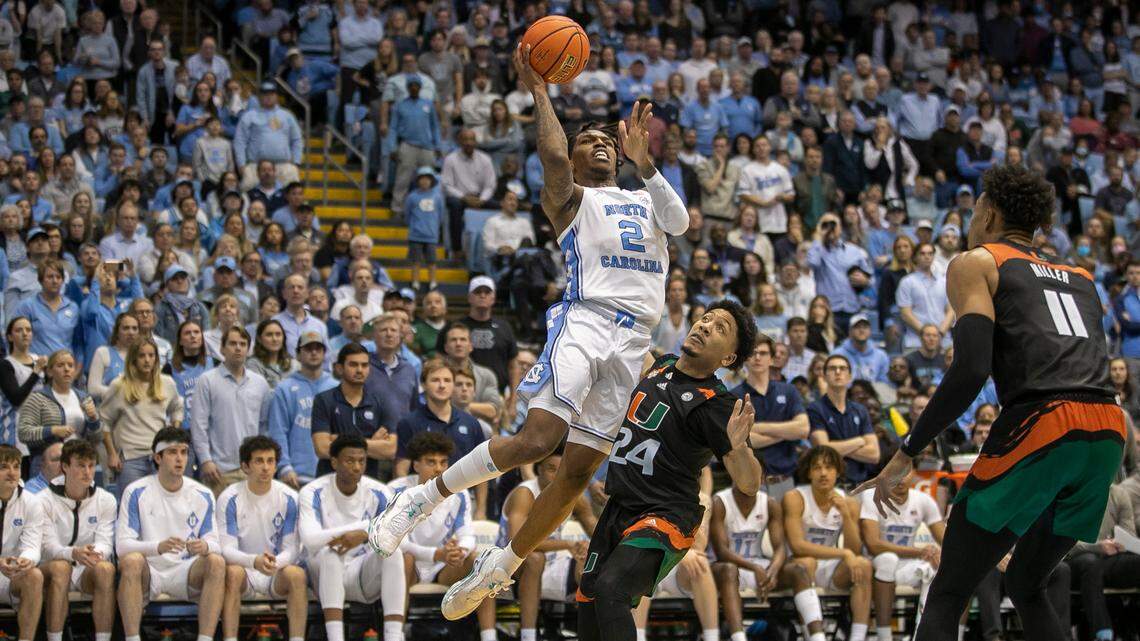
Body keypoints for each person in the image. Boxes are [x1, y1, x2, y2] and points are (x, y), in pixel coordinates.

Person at [368, 46, 691, 627]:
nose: (600, 143)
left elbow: (683, 223)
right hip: (587, 321)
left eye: (606, 140)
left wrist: (646, 162)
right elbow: (550, 154)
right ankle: (423, 497)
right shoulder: (570, 199)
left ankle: (502, 565)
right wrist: (539, 88)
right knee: (539, 439)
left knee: (578, 472)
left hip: (635, 342)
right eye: (586, 139)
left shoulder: (648, 200)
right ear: (571, 154)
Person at [857, 164, 1126, 641]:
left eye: (977, 206)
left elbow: (971, 368)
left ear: (990, 213)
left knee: (949, 591)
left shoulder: (977, 262)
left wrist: (907, 451)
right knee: (1026, 583)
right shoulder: (1082, 277)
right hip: (1108, 428)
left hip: (1046, 419)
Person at [573, 300, 760, 641]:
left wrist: (738, 446)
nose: (705, 326)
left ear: (728, 359)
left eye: (720, 329)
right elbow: (630, 344)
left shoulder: (717, 403)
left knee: (612, 588)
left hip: (667, 513)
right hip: (620, 508)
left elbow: (749, 484)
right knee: (590, 608)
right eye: (706, 318)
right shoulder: (662, 366)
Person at [116, 428, 225, 641]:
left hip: (186, 570)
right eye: (172, 452)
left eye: (184, 452)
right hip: (150, 571)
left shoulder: (203, 494)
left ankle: (206, 639)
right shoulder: (136, 491)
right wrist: (157, 546)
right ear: (158, 457)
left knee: (216, 561)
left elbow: (216, 543)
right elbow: (122, 546)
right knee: (131, 561)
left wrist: (205, 546)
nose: (179, 458)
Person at [298, 435, 407, 641]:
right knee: (330, 554)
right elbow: (310, 539)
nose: (357, 467)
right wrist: (364, 529)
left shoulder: (379, 491)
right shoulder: (312, 491)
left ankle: (394, 636)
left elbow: (397, 531)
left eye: (362, 461)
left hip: (361, 572)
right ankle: (335, 637)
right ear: (334, 462)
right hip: (320, 573)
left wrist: (364, 535)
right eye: (350, 461)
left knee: (393, 552)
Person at [390, 433, 497, 640]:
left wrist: (459, 552)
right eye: (431, 462)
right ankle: (395, 635)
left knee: (482, 561)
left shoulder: (459, 492)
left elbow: (467, 535)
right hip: (409, 564)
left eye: (443, 462)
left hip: (443, 565)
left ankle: (489, 636)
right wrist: (436, 554)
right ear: (415, 465)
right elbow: (393, 541)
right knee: (403, 559)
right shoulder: (396, 490)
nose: (439, 468)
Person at [217, 436, 308, 641]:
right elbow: (226, 549)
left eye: (270, 461)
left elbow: (292, 548)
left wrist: (275, 563)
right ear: (245, 466)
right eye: (259, 461)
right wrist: (254, 561)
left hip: (277, 571)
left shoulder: (290, 498)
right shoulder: (229, 498)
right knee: (231, 572)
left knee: (297, 575)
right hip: (244, 572)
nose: (266, 467)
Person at [502, 446, 597, 641]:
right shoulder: (525, 494)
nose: (557, 475)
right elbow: (516, 544)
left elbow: (598, 533)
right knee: (534, 559)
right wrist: (568, 544)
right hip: (511, 566)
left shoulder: (573, 496)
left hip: (553, 564)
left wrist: (588, 548)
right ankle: (528, 636)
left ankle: (593, 633)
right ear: (539, 470)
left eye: (561, 469)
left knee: (590, 562)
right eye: (551, 469)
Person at [784, 445, 874, 641]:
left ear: (838, 471)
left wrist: (846, 516)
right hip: (800, 568)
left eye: (829, 467)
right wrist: (843, 554)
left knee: (864, 565)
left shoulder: (848, 502)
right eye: (817, 468)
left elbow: (854, 550)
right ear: (808, 472)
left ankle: (858, 637)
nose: (823, 473)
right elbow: (797, 546)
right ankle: (812, 636)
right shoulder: (795, 498)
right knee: (806, 562)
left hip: (829, 568)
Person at [40, 440, 117, 641]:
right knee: (60, 568)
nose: (87, 472)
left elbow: (105, 542)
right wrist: (73, 553)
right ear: (65, 467)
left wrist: (95, 554)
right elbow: (48, 547)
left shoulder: (106, 500)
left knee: (106, 568)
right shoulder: (42, 500)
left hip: (86, 568)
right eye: (81, 465)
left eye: (91, 465)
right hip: (52, 568)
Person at [859, 470, 946, 641]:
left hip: (907, 565)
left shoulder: (923, 500)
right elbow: (874, 545)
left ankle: (922, 635)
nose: (900, 479)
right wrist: (920, 551)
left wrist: (940, 553)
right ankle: (884, 637)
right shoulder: (871, 496)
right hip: (874, 565)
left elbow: (945, 539)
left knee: (934, 568)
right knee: (887, 560)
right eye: (895, 473)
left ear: (912, 473)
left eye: (905, 473)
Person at [395, 360, 488, 516]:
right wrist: (407, 506)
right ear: (424, 385)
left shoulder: (471, 423)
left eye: (447, 380)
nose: (442, 385)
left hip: (462, 500)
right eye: (435, 380)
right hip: (422, 500)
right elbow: (401, 468)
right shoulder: (409, 422)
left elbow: (482, 469)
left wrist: (481, 509)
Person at [192, 325, 272, 495]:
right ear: (222, 348)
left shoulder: (260, 384)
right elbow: (199, 425)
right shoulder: (207, 380)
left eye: (243, 344)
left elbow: (264, 426)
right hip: (218, 470)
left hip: (252, 469)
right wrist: (205, 460)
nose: (238, 348)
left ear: (248, 349)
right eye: (233, 343)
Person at [733, 334, 809, 501]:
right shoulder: (735, 396)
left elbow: (803, 429)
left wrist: (756, 427)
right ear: (745, 358)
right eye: (753, 353)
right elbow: (742, 441)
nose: (758, 357)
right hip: (749, 482)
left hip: (785, 480)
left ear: (772, 358)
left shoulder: (788, 391)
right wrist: (787, 432)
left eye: (763, 353)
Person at [710, 477, 787, 641]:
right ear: (733, 473)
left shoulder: (770, 503)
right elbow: (721, 552)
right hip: (727, 568)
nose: (748, 475)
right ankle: (738, 637)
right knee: (729, 570)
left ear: (763, 478)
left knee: (798, 571)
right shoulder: (719, 502)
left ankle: (817, 636)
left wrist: (772, 571)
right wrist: (755, 568)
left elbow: (780, 548)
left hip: (756, 565)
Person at [312, 342, 397, 480]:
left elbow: (390, 450)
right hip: (329, 482)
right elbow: (321, 448)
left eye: (364, 365)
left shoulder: (381, 402)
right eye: (353, 365)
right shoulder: (324, 400)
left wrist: (338, 440)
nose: (359, 370)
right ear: (339, 368)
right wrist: (371, 442)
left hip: (369, 482)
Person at [266, 331, 336, 488]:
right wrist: (284, 467)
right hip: (295, 476)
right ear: (297, 355)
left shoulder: (336, 388)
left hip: (332, 475)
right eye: (308, 348)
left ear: (324, 353)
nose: (313, 352)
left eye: (318, 348)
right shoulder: (284, 388)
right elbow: (278, 431)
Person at [18, 349, 101, 476]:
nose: (66, 369)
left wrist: (94, 420)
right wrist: (52, 430)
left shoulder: (84, 398)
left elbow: (96, 438)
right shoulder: (37, 398)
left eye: (70, 365)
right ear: (50, 372)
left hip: (78, 463)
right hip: (47, 464)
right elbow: (24, 433)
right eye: (60, 365)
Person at [808, 354, 880, 486]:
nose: (838, 372)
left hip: (860, 484)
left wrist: (836, 447)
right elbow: (823, 450)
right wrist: (859, 441)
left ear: (850, 376)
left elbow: (874, 454)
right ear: (824, 376)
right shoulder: (815, 409)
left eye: (842, 368)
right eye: (832, 368)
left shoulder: (860, 410)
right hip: (830, 485)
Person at [0, 444, 45, 641]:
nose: (12, 473)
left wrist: (25, 560)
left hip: (11, 573)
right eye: (3, 467)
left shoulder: (32, 502)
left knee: (34, 575)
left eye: (16, 466)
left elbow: (32, 545)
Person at [0, 317, 45, 452]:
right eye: (19, 330)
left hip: (39, 428)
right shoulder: (5, 365)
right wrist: (36, 371)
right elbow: (16, 398)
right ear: (10, 337)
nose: (25, 333)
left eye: (28, 330)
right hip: (15, 430)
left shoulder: (39, 359)